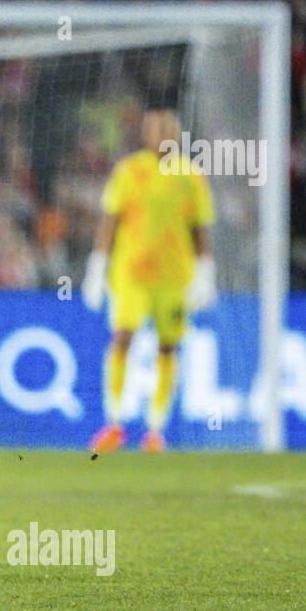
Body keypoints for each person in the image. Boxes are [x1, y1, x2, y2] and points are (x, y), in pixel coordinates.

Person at [80, 109, 216, 453]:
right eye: (156, 130)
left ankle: (156, 429)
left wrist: (205, 273)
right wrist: (97, 266)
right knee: (122, 336)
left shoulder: (190, 175)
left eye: (168, 130)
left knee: (167, 346)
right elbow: (110, 220)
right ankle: (113, 423)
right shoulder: (129, 171)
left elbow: (200, 228)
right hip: (131, 274)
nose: (162, 136)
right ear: (145, 135)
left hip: (174, 277)